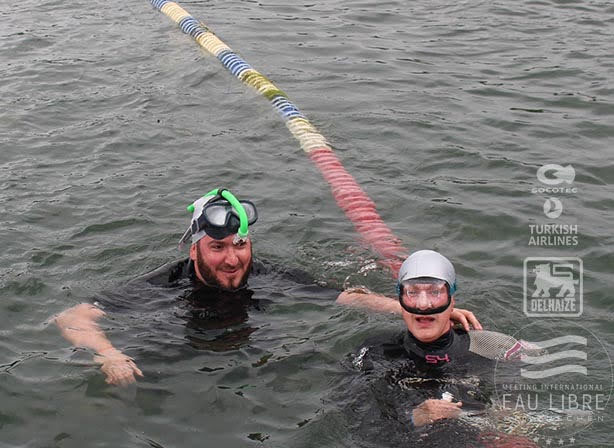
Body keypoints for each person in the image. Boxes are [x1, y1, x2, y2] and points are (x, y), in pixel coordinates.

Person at [55, 189, 481, 386]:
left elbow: (344, 296)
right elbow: (72, 317)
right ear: (194, 251)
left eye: (240, 245)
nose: (232, 258)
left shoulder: (268, 274)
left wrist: (418, 310)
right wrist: (109, 355)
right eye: (218, 247)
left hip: (251, 361)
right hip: (178, 358)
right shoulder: (166, 282)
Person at [332, 250, 536, 447]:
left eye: (435, 293)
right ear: (400, 300)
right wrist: (413, 418)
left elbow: (514, 414)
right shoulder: (375, 352)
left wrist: (509, 425)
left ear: (452, 300)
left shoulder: (491, 349)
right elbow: (359, 425)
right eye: (412, 293)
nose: (423, 305)